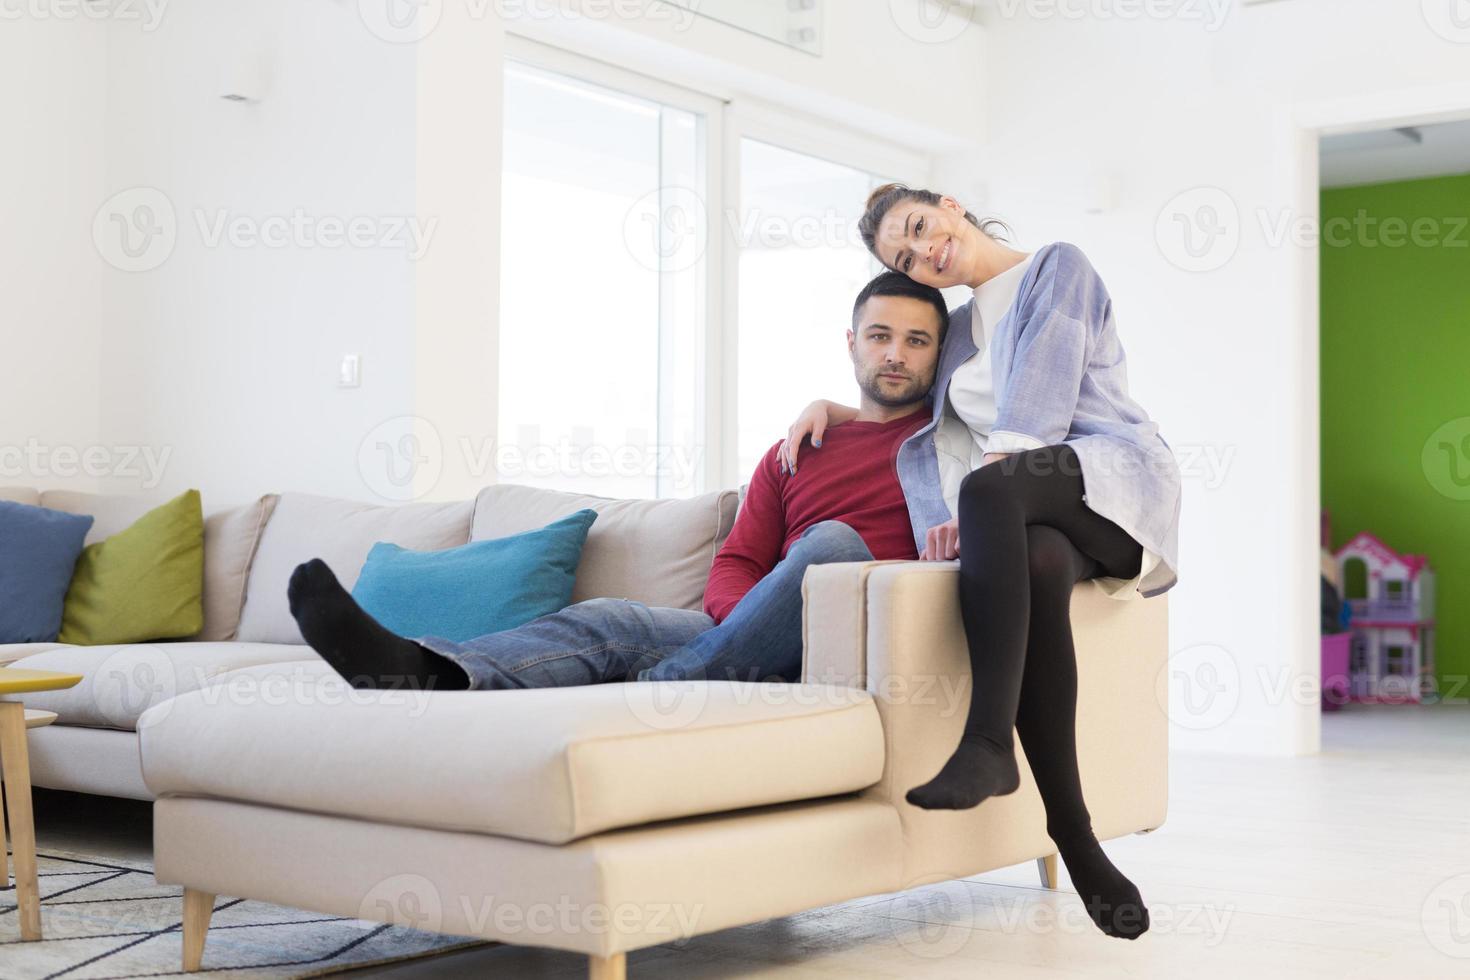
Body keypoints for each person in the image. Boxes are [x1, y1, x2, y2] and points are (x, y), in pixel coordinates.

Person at [781, 184, 1183, 941]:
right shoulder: (958, 329)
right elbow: (912, 402)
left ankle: (988, 741)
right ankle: (1072, 833)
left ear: (950, 206)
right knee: (1032, 562)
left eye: (920, 229)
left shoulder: (1057, 268)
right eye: (905, 257)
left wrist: (982, 500)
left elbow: (1040, 398)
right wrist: (833, 407)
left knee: (994, 486)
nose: (924, 253)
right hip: (1037, 512)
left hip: (1114, 479)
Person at [286, 271, 946, 694]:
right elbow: (740, 559)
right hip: (754, 635)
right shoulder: (797, 449)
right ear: (851, 344)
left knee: (832, 544)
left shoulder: (948, 452)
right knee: (605, 620)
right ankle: (424, 670)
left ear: (939, 355)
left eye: (916, 341)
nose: (895, 353)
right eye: (880, 335)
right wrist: (746, 626)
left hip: (849, 642)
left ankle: (673, 683)